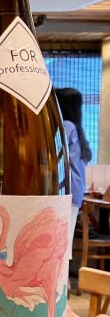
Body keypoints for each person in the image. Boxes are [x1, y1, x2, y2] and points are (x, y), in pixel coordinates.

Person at [56, 87, 92, 258]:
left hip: (67, 189)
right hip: (77, 190)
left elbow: (56, 155)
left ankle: (64, 273)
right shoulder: (78, 129)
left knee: (60, 239)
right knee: (66, 236)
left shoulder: (66, 126)